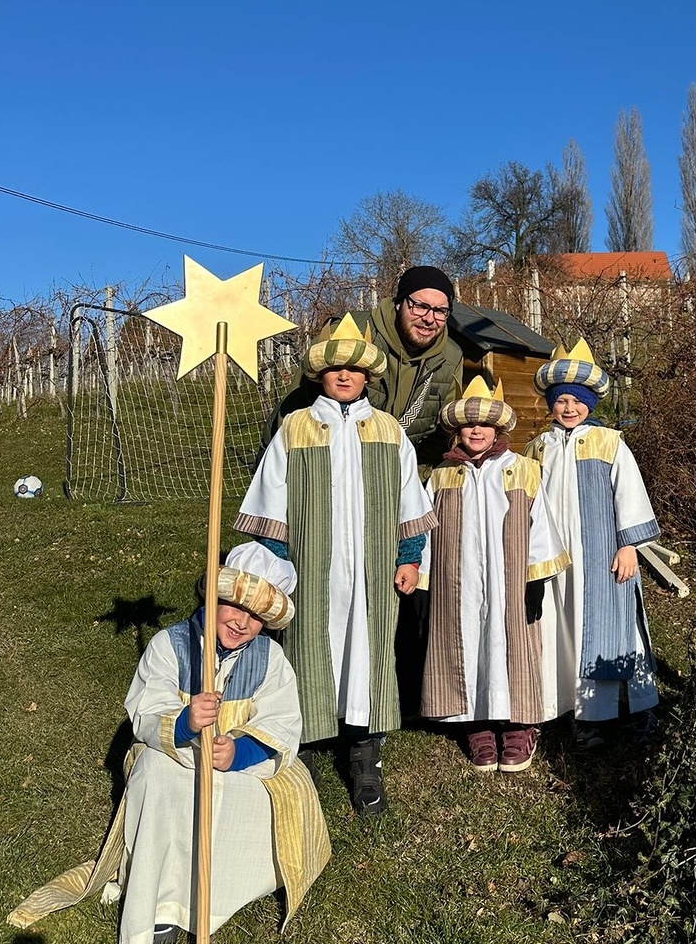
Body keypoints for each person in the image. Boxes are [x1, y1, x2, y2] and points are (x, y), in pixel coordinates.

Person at [8, 556, 330, 944]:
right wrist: (185, 722)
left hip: (240, 768)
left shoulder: (271, 659)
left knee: (268, 799)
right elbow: (145, 711)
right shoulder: (170, 645)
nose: (241, 622)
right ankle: (161, 902)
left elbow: (281, 723)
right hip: (176, 758)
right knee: (157, 778)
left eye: (255, 616)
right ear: (213, 598)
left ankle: (224, 892)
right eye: (233, 606)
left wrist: (240, 751)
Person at [234, 313, 436, 814]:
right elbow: (272, 500)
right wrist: (279, 564)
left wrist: (410, 558)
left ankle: (364, 752)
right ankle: (300, 741)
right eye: (335, 369)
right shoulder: (296, 429)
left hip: (373, 570)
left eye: (354, 369)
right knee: (307, 647)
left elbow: (409, 502)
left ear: (368, 376)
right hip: (311, 568)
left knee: (370, 651)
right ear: (320, 374)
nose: (345, 376)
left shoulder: (388, 431)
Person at [419, 377, 569, 774]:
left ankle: (519, 724)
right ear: (457, 430)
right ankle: (476, 723)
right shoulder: (442, 475)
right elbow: (427, 532)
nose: (476, 431)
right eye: (469, 424)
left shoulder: (521, 470)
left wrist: (535, 579)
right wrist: (424, 582)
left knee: (513, 644)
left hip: (510, 583)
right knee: (465, 644)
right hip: (458, 584)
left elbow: (540, 524)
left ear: (498, 429)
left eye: (485, 425)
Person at [523, 339, 661, 747]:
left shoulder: (609, 442)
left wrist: (629, 545)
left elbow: (629, 494)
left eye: (576, 401)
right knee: (563, 632)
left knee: (618, 629)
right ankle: (580, 715)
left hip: (603, 558)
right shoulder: (537, 448)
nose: (569, 408)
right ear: (551, 403)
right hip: (556, 561)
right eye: (561, 400)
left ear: (590, 403)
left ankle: (639, 710)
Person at [264, 266, 463, 474]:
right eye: (420, 306)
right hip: (326, 467)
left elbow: (443, 434)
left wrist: (416, 479)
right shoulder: (351, 332)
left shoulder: (451, 357)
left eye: (440, 311)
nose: (429, 319)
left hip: (398, 472)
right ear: (399, 304)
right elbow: (295, 407)